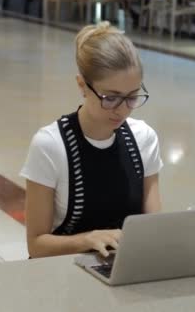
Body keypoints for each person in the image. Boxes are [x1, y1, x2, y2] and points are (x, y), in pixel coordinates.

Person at [21, 22, 163, 259]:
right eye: (111, 98)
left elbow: (154, 227)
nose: (122, 110)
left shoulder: (143, 138)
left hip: (123, 268)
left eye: (132, 97)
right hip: (62, 274)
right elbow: (36, 245)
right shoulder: (50, 145)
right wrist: (86, 240)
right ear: (82, 86)